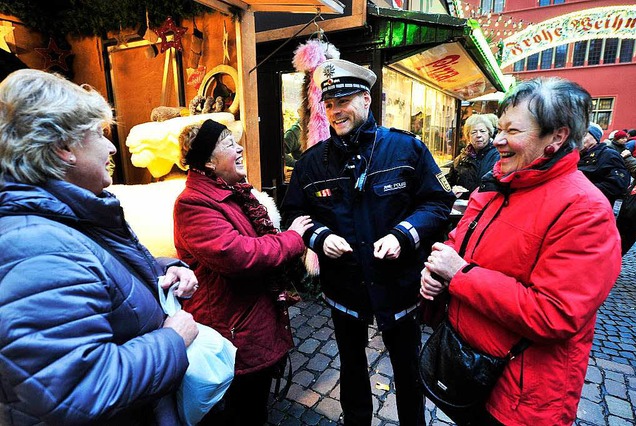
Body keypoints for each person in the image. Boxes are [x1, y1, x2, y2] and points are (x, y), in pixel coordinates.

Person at [0, 69, 200, 424]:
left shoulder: (69, 216)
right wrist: (172, 340)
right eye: (98, 133)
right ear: (63, 148)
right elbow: (79, 389)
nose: (111, 146)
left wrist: (165, 269)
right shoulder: (39, 250)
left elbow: (105, 271)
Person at [420, 77, 620, 425]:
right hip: (468, 366)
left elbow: (554, 313)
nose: (498, 140)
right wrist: (436, 272)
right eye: (499, 128)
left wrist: (459, 274)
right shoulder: (497, 186)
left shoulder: (585, 210)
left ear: (556, 137)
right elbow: (457, 247)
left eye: (513, 130)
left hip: (520, 397)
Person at [282, 59, 455, 425]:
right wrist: (319, 237)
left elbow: (438, 202)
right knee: (351, 365)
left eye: (342, 101)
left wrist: (404, 234)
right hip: (344, 287)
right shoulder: (311, 163)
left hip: (400, 286)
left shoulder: (406, 149)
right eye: (328, 104)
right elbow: (292, 217)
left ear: (365, 98)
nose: (335, 111)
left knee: (408, 369)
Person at [173, 119, 313, 425]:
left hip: (250, 323)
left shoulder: (233, 193)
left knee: (255, 407)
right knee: (241, 413)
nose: (239, 148)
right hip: (233, 332)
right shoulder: (193, 204)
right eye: (227, 143)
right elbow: (239, 255)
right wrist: (291, 238)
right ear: (208, 162)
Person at [447, 113, 500, 199]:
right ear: (468, 136)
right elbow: (449, 184)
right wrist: (454, 190)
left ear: (489, 133)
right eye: (474, 132)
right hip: (464, 208)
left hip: (488, 206)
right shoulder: (460, 159)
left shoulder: (498, 156)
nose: (478, 135)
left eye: (482, 131)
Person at [577, 122, 629, 206]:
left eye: (583, 134)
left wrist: (584, 190)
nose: (578, 139)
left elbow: (619, 185)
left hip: (595, 207)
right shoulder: (576, 155)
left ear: (595, 138)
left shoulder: (609, 155)